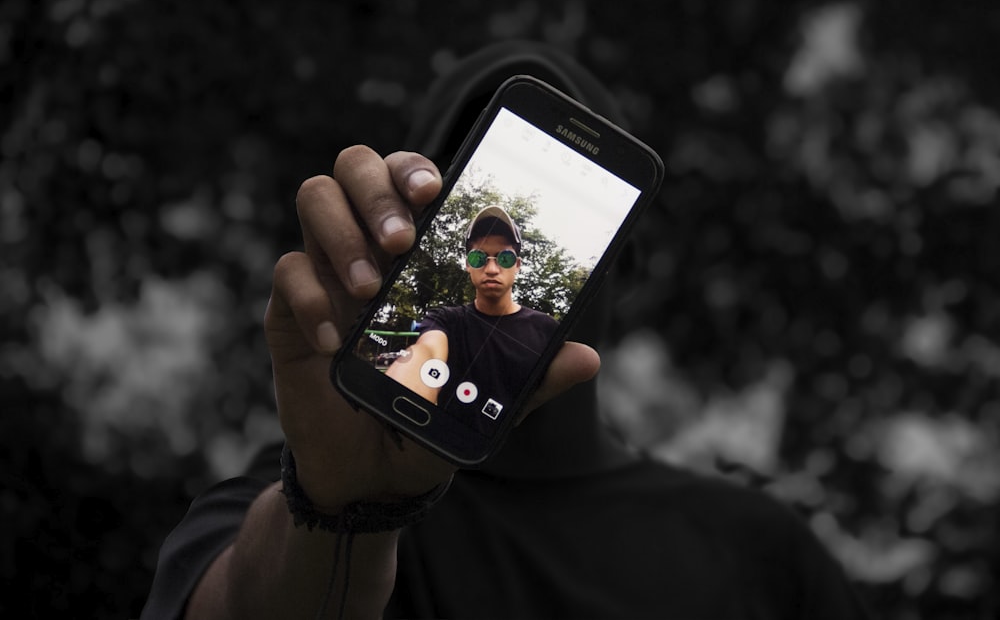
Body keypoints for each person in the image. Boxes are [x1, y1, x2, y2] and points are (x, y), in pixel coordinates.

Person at [140, 42, 871, 619]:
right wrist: (340, 509)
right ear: (401, 235)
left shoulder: (759, 550)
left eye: (540, 231)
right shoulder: (302, 479)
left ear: (624, 259)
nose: (493, 264)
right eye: (459, 202)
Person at [386, 205, 558, 434]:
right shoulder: (446, 320)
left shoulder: (546, 329)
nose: (492, 268)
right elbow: (425, 353)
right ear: (468, 264)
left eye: (504, 258)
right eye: (479, 258)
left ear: (517, 265)